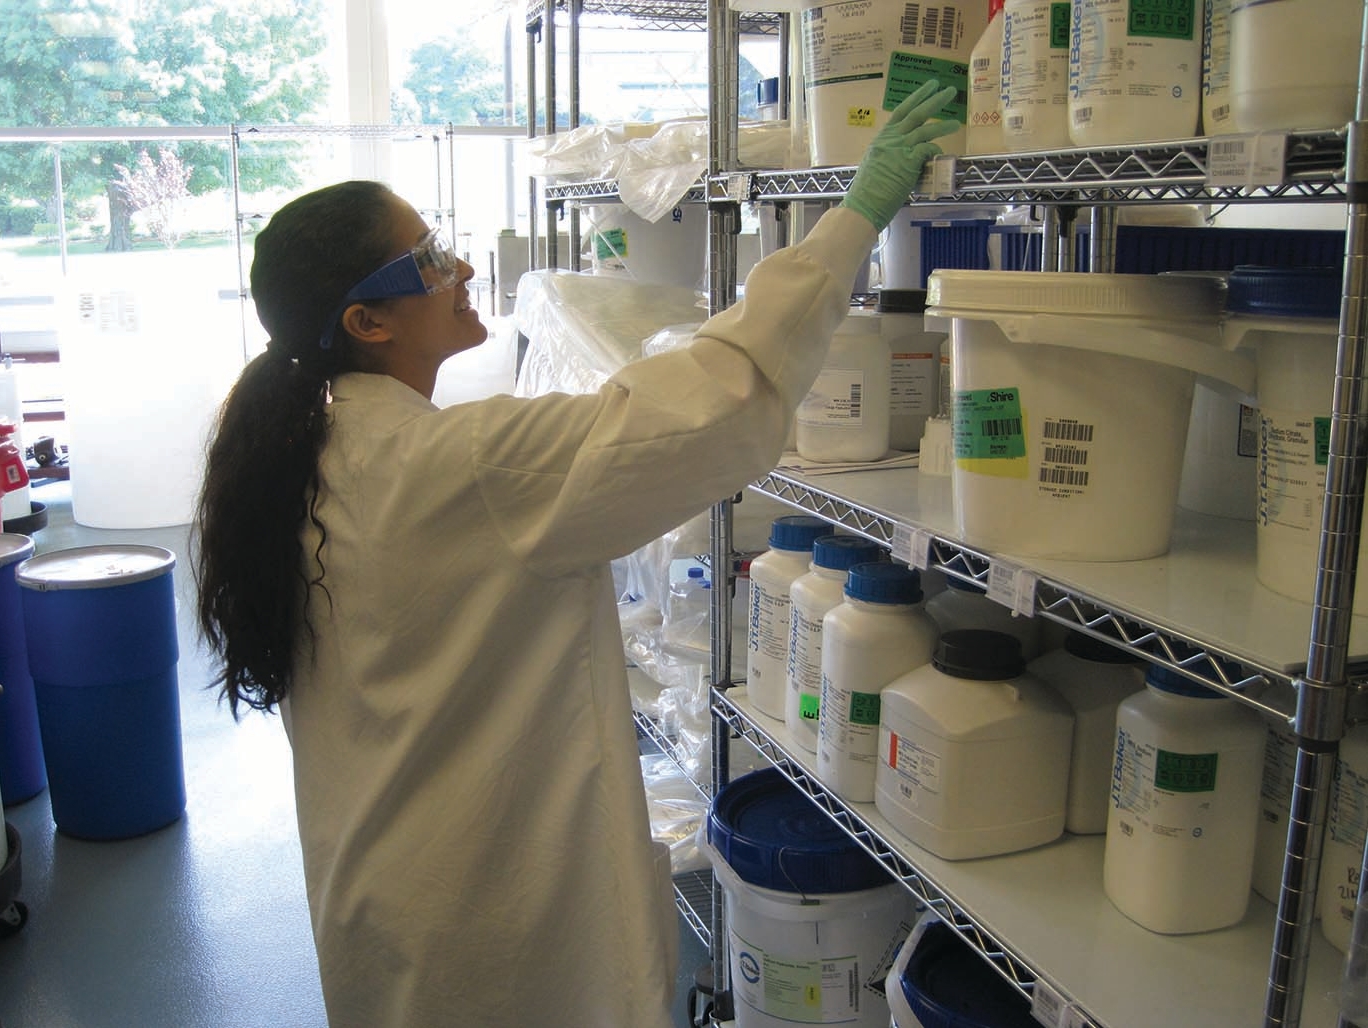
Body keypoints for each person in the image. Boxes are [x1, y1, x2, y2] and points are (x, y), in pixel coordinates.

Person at [193, 79, 958, 1028]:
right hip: (490, 922)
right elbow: (713, 401)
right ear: (366, 321)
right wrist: (853, 220)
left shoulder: (309, 452)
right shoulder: (462, 466)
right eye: (426, 260)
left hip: (387, 891)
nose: (459, 267)